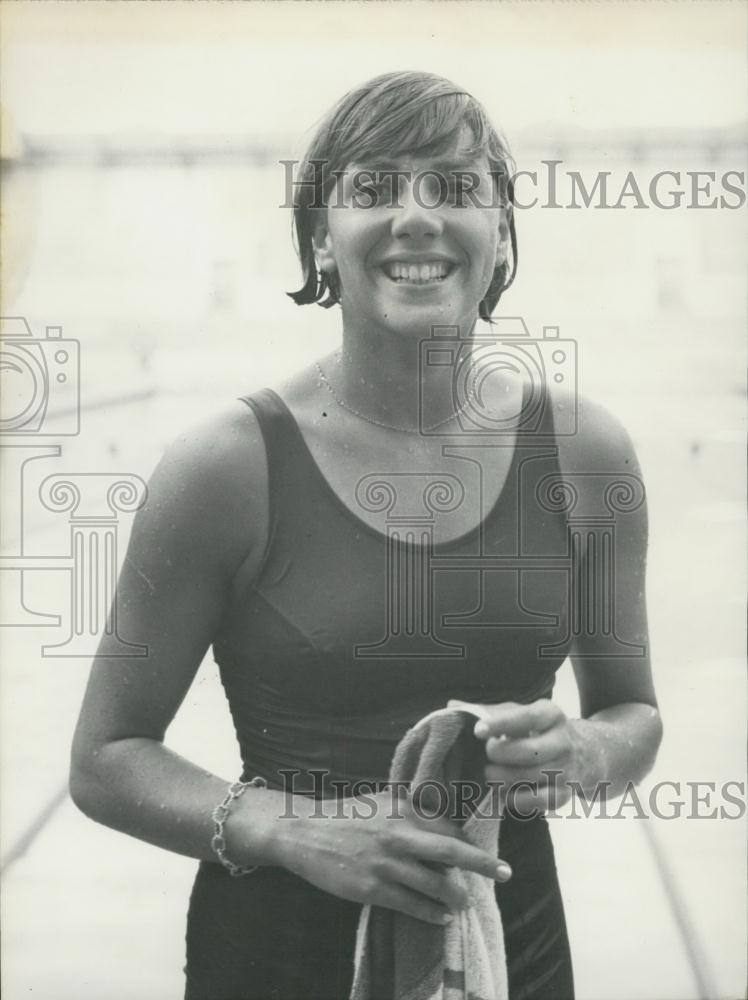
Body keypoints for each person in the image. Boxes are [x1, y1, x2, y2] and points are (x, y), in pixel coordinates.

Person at [70, 71, 662, 1000]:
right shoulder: (227, 467)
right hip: (276, 962)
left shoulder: (584, 453)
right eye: (375, 188)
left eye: (455, 187)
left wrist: (586, 755)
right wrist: (290, 828)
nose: (417, 217)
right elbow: (106, 760)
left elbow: (634, 715)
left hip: (516, 948)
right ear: (321, 236)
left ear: (501, 232)